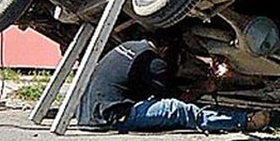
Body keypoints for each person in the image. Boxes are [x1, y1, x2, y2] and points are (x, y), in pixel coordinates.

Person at [77, 40, 269, 133]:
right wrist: (202, 88)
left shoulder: (131, 46)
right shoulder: (153, 61)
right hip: (114, 116)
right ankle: (244, 121)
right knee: (177, 110)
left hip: (88, 115)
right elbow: (176, 100)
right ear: (166, 51)